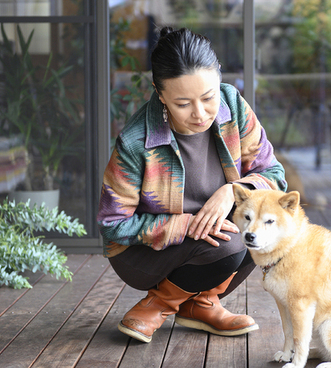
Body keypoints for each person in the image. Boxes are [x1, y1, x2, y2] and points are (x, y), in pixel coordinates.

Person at [97, 27, 287, 343]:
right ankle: (157, 305)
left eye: (208, 97)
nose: (200, 114)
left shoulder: (233, 106)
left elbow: (273, 173)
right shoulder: (136, 142)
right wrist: (186, 225)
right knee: (233, 240)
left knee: (265, 227)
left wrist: (232, 192)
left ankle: (201, 304)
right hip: (143, 255)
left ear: (219, 78)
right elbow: (113, 224)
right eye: (183, 103)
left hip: (214, 241)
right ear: (160, 94)